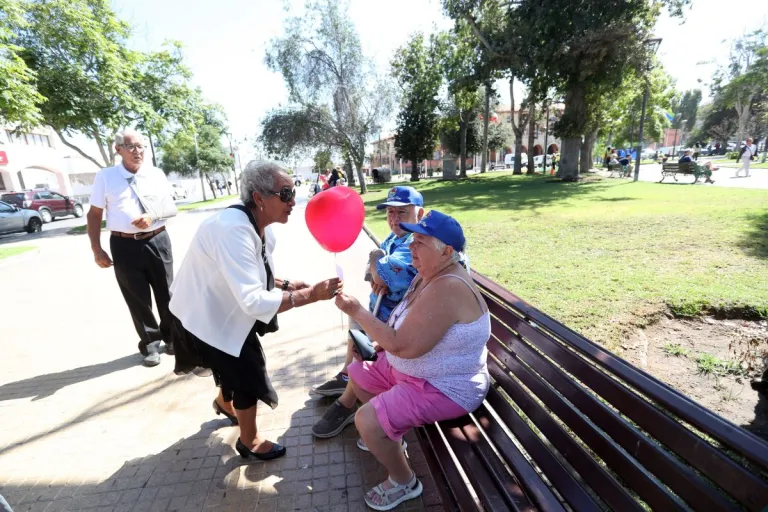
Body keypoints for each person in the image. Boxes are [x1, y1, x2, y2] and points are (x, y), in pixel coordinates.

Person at [169, 161, 342, 461]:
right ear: (259, 198)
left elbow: (253, 271)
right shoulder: (232, 231)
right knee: (248, 371)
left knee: (234, 362)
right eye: (285, 194)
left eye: (294, 192)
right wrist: (312, 295)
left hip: (223, 307)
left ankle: (225, 403)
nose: (292, 201)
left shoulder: (260, 226)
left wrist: (285, 284)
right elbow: (253, 300)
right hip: (203, 315)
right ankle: (249, 440)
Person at [322, 211, 490, 510]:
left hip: (444, 386)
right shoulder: (429, 274)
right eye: (412, 240)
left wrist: (357, 311)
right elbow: (403, 330)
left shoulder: (448, 286)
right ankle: (391, 437)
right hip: (415, 371)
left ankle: (404, 481)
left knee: (367, 420)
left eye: (420, 242)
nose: (411, 247)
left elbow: (401, 344)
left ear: (447, 252)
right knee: (358, 374)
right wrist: (381, 340)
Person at [312, 186, 424, 401]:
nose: (394, 218)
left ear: (419, 214)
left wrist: (375, 259)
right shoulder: (394, 238)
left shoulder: (414, 241)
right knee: (356, 320)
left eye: (401, 212)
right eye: (390, 212)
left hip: (396, 318)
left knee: (358, 319)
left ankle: (350, 394)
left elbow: (379, 274)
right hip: (381, 308)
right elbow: (372, 273)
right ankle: (347, 375)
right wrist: (376, 264)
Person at [87, 129, 176, 367]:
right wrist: (97, 249)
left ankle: (172, 339)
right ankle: (149, 344)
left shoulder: (155, 174)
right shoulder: (106, 177)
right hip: (123, 245)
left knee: (167, 293)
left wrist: (152, 216)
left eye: (141, 146)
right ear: (118, 150)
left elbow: (170, 206)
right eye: (131, 147)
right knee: (137, 297)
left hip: (158, 239)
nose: (138, 152)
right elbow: (94, 215)